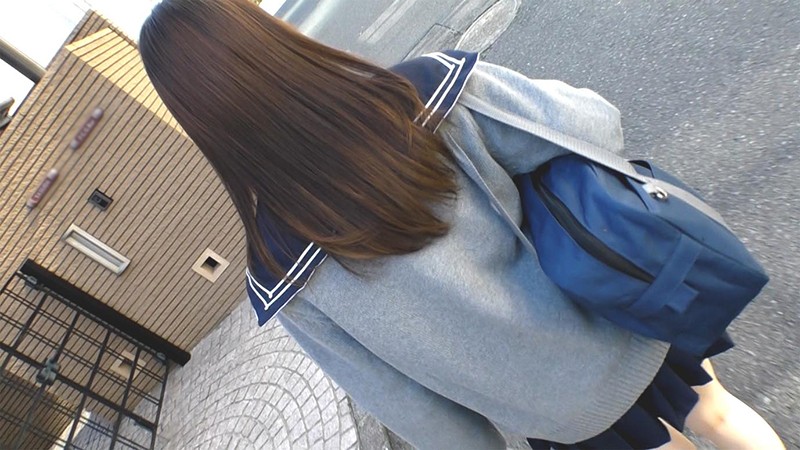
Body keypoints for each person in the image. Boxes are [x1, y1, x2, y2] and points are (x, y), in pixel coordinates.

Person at [138, 1, 785, 448]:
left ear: (203, 122)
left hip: (560, 413)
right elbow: (591, 124)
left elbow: (406, 405)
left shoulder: (278, 274)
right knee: (719, 415)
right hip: (619, 310)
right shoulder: (421, 93)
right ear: (270, 40)